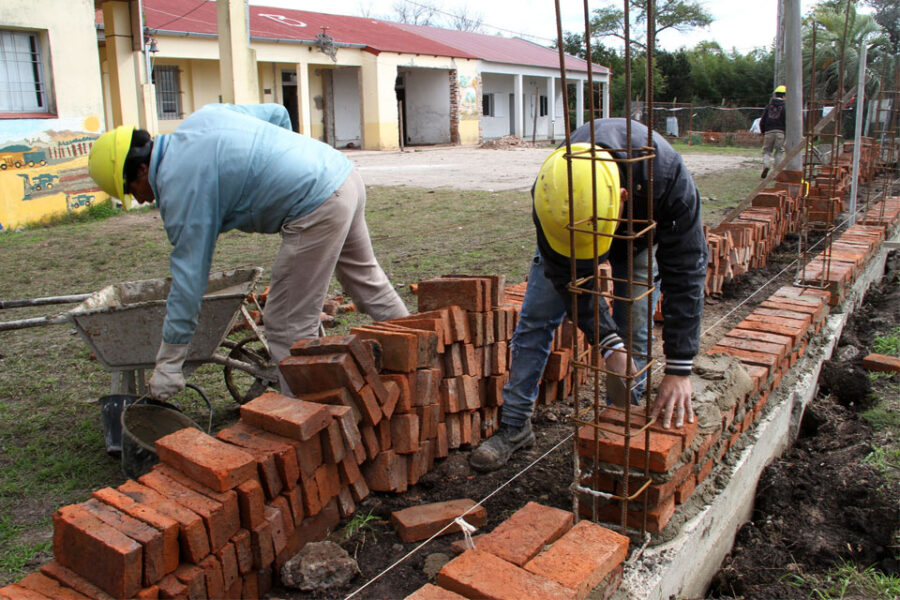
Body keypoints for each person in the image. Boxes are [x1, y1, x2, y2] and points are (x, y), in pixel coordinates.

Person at [88, 103, 409, 400]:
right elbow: (278, 114)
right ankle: (422, 357)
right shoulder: (203, 117)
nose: (140, 199)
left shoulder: (178, 186)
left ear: (142, 169)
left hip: (316, 204)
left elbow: (189, 281)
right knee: (368, 283)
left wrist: (170, 361)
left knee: (287, 324)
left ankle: (311, 420)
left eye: (130, 190)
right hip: (341, 173)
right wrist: (294, 163)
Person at [469, 118, 707, 473]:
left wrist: (679, 366)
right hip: (569, 239)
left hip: (639, 238)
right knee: (535, 319)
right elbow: (570, 280)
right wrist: (608, 344)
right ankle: (515, 426)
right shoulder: (554, 188)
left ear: (622, 198)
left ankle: (620, 429)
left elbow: (686, 273)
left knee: (635, 325)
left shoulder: (668, 179)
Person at [760, 85, 787, 178]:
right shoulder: (785, 107)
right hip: (780, 132)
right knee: (779, 151)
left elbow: (762, 121)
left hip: (768, 132)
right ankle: (776, 174)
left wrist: (763, 132)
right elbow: (787, 120)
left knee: (766, 151)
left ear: (775, 95)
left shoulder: (768, 107)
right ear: (784, 96)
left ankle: (766, 165)